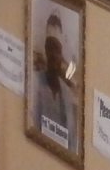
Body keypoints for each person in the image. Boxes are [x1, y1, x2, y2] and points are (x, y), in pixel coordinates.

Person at [31, 13, 81, 154]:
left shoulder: (66, 93)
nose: (53, 54)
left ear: (62, 55)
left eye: (57, 50)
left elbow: (71, 141)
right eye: (49, 48)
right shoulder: (35, 82)